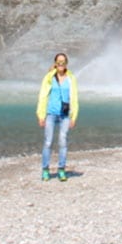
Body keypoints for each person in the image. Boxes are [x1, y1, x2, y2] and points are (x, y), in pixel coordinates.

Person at [36, 53, 79, 181]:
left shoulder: (71, 78)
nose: (61, 64)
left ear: (66, 63)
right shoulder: (49, 77)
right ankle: (45, 170)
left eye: (63, 62)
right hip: (51, 113)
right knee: (48, 142)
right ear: (55, 63)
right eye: (59, 62)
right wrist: (41, 115)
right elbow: (43, 96)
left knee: (63, 141)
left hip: (65, 115)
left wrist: (74, 116)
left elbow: (74, 97)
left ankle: (61, 169)